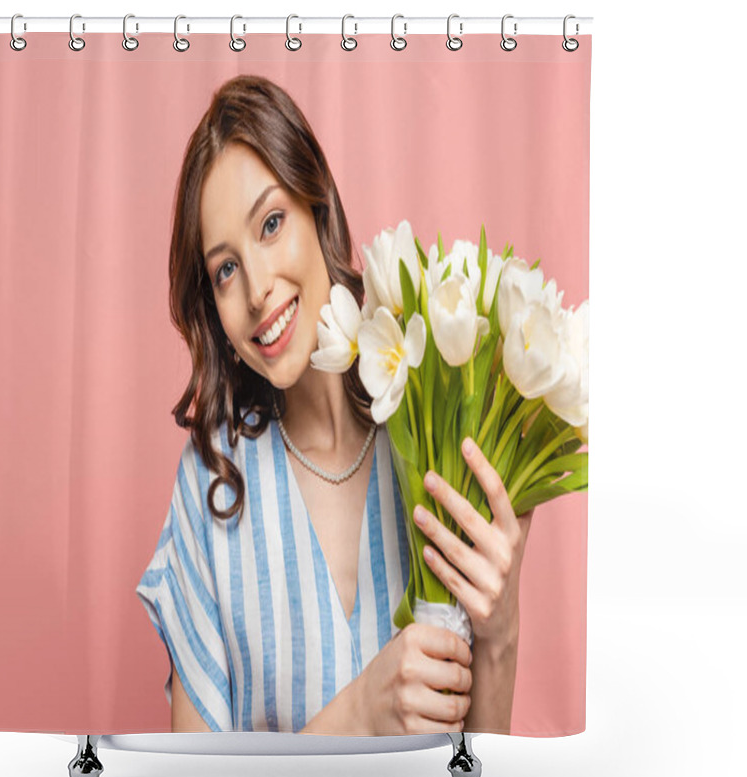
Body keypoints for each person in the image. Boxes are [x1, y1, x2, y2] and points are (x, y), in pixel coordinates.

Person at [136, 74, 533, 736]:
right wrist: (358, 713)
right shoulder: (211, 485)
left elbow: (476, 770)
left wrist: (501, 634)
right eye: (225, 269)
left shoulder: (432, 423)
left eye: (270, 224)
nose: (259, 289)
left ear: (318, 207)